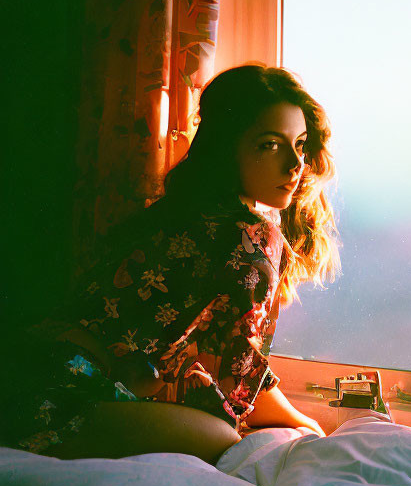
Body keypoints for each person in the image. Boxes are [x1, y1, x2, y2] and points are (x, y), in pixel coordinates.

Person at [1, 65, 341, 464]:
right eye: (270, 145)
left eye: (299, 144)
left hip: (31, 363)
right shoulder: (247, 234)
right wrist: (309, 423)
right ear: (227, 145)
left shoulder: (185, 212)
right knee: (223, 438)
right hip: (63, 391)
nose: (293, 164)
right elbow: (241, 370)